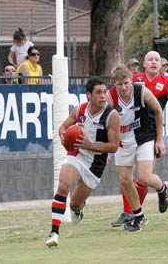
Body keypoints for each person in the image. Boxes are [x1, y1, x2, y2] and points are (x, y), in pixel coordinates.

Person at [111, 51, 168, 227]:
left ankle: (153, 196)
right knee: (126, 177)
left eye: (157, 60)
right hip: (129, 133)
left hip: (151, 133)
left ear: (161, 65)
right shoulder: (133, 80)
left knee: (143, 178)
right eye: (149, 59)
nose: (153, 62)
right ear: (143, 64)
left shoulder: (167, 84)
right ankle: (129, 212)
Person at [45, 77, 121, 248]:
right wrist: (65, 137)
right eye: (99, 92)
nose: (103, 96)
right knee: (63, 185)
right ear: (89, 95)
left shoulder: (112, 116)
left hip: (95, 164)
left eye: (104, 92)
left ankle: (78, 209)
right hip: (77, 154)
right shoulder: (80, 110)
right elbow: (63, 128)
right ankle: (54, 233)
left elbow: (114, 146)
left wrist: (90, 145)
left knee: (74, 204)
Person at [107, 65, 166, 232]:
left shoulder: (142, 91)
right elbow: (105, 123)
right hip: (123, 142)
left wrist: (160, 140)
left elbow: (158, 111)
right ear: (115, 85)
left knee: (144, 177)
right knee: (125, 180)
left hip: (144, 138)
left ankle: (163, 188)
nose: (124, 87)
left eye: (126, 83)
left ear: (131, 81)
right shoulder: (110, 97)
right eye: (120, 84)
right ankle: (139, 216)